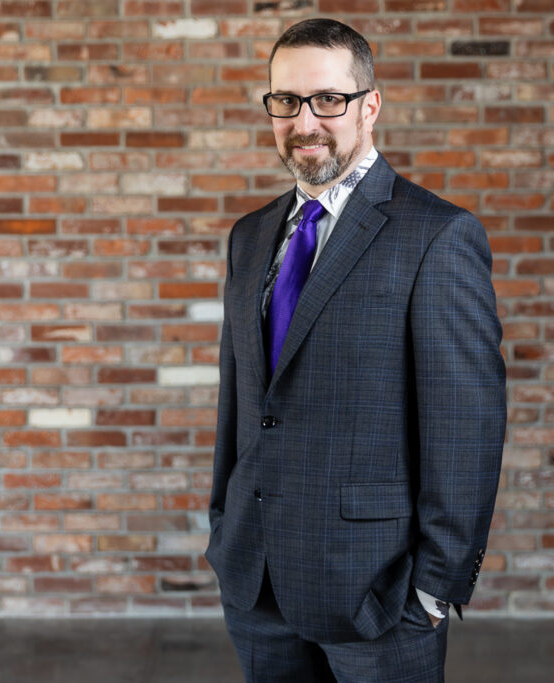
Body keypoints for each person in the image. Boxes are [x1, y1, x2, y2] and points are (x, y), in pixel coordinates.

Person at [205, 17, 506, 683]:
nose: (304, 121)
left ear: (370, 106)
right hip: (256, 580)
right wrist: (224, 528)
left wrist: (435, 587)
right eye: (285, 101)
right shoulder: (250, 236)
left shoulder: (438, 235)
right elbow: (243, 402)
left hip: (378, 590)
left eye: (328, 100)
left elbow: (466, 426)